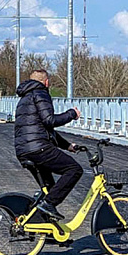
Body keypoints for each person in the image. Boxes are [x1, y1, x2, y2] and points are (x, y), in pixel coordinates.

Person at [14, 69, 82, 220]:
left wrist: (67, 145)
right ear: (46, 82)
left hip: (24, 150)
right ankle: (48, 204)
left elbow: (43, 129)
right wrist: (71, 114)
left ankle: (41, 224)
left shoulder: (24, 99)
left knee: (50, 190)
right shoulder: (41, 93)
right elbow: (49, 121)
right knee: (74, 169)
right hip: (39, 149)